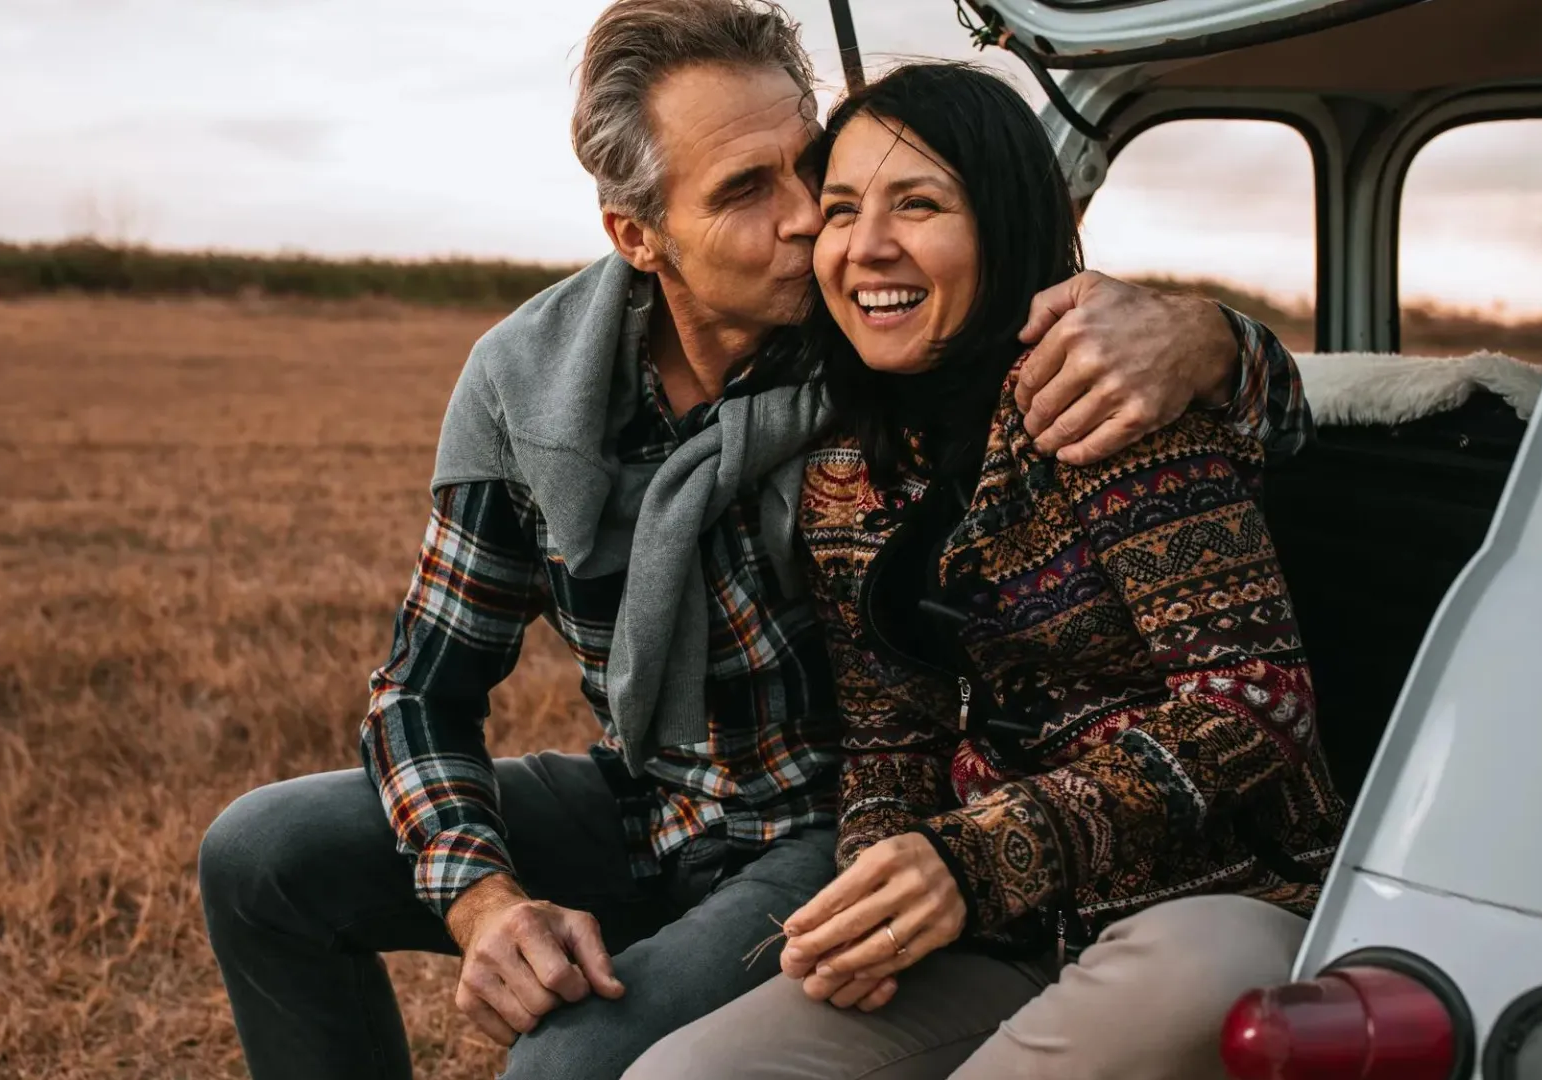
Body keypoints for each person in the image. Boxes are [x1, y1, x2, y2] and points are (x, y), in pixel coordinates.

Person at [195, 3, 1320, 1079]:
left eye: (808, 170)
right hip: (659, 794)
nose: (810, 219)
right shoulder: (528, 388)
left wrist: (1214, 340)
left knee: (571, 1065)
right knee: (261, 856)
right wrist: (482, 899)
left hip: (818, 820)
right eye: (748, 190)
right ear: (638, 235)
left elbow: (1075, 336)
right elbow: (423, 690)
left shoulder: (883, 327)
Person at [624, 62, 1347, 1080]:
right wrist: (880, 890)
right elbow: (890, 735)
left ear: (1004, 223)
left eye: (917, 203)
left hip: (1216, 910)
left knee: (1204, 965)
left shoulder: (1106, 396)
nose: (866, 245)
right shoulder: (844, 472)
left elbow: (1255, 701)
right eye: (839, 210)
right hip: (1003, 935)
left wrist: (979, 858)